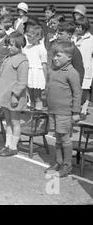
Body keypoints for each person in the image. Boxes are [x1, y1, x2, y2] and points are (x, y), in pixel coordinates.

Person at [0, 32, 29, 157]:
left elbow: (22, 82)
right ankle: (7, 145)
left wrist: (15, 95)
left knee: (15, 121)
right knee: (8, 121)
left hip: (14, 97)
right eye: (8, 45)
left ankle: (14, 147)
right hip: (5, 96)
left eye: (12, 45)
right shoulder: (8, 58)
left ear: (20, 45)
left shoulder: (23, 61)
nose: (9, 48)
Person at [45, 40, 82, 177]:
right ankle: (59, 162)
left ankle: (67, 165)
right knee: (58, 137)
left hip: (64, 112)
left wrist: (76, 112)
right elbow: (48, 87)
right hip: (53, 110)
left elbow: (77, 93)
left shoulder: (71, 72)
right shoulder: (52, 70)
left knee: (65, 138)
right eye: (54, 55)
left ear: (69, 57)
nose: (55, 58)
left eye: (59, 55)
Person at [72, 16, 93, 119]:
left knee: (85, 88)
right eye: (77, 26)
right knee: (75, 88)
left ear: (85, 27)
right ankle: (75, 107)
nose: (78, 29)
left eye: (80, 27)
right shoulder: (73, 37)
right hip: (74, 67)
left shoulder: (91, 39)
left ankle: (84, 108)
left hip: (86, 67)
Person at [23, 25, 48, 110]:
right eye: (27, 36)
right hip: (28, 74)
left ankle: (39, 118)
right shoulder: (26, 48)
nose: (28, 38)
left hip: (37, 75)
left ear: (38, 37)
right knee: (30, 97)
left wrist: (46, 79)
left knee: (37, 97)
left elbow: (44, 65)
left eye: (30, 36)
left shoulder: (41, 48)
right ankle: (32, 118)